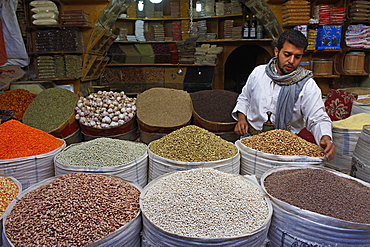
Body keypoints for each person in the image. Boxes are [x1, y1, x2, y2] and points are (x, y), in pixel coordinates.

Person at [232, 29, 335, 160]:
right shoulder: (259, 73)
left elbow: (318, 117)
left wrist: (325, 137)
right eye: (287, 54)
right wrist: (241, 119)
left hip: (284, 150)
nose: (292, 61)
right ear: (276, 52)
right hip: (251, 141)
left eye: (297, 57)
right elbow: (245, 98)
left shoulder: (307, 85)